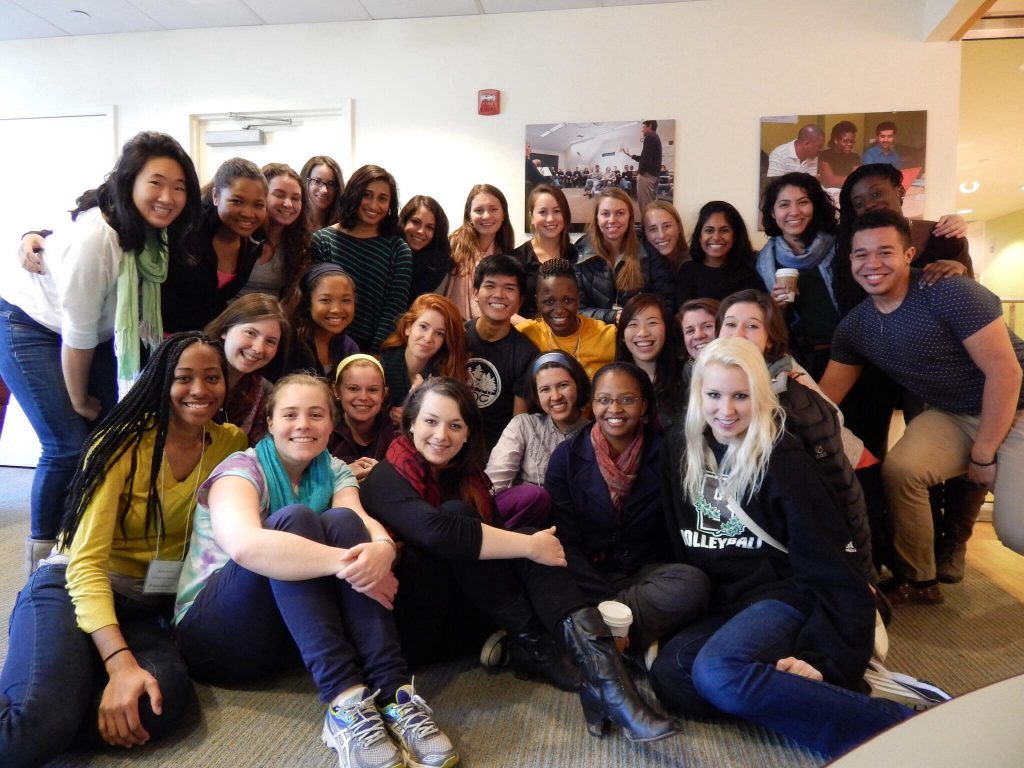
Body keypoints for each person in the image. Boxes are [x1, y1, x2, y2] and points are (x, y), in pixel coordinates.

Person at [360, 377, 679, 743]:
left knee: (529, 534)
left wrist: (528, 544)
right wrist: (525, 547)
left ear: (468, 434)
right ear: (411, 422)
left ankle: (605, 683)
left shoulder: (465, 476)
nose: (441, 435)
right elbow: (438, 531)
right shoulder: (386, 476)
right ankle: (540, 649)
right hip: (414, 631)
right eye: (430, 421)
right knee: (478, 524)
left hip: (465, 617)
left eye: (455, 425)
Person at [173, 373, 458, 768]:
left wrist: (382, 549)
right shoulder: (242, 469)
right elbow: (245, 544)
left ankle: (393, 693)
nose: (303, 424)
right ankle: (343, 701)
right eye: (290, 414)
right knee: (294, 519)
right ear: (270, 423)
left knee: (341, 520)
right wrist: (353, 566)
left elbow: (357, 519)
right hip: (214, 640)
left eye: (316, 414)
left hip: (284, 639)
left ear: (331, 422)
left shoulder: (334, 467)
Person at [651, 337, 913, 758]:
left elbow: (827, 559)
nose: (727, 409)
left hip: (785, 594)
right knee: (673, 677)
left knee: (717, 673)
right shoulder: (681, 450)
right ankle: (787, 685)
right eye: (714, 395)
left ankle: (892, 729)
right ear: (698, 395)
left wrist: (826, 658)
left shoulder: (782, 456)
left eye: (741, 395)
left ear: (759, 394)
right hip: (726, 603)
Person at [0, 333, 246, 767]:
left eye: (212, 377)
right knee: (34, 727)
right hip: (72, 587)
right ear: (159, 381)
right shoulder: (119, 441)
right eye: (183, 378)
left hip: (143, 606)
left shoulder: (231, 444)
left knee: (161, 701)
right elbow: (85, 563)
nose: (200, 390)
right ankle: (49, 711)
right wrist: (118, 663)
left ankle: (59, 704)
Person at [0, 131, 202, 575]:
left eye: (179, 187)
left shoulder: (154, 238)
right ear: (129, 181)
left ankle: (90, 539)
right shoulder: (99, 239)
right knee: (67, 444)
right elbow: (78, 332)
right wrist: (77, 399)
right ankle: (43, 559)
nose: (168, 197)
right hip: (29, 323)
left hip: (93, 333)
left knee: (111, 437)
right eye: (156, 183)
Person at [820, 210, 1024, 605]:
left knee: (1016, 530)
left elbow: (1006, 375)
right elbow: (824, 397)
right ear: (850, 261)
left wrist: (983, 455)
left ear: (909, 254)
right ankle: (919, 579)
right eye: (861, 254)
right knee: (902, 470)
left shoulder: (949, 291)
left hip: (1016, 407)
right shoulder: (856, 326)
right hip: (954, 413)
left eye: (885, 252)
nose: (872, 264)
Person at [545, 362, 709, 662]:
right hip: (589, 575)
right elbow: (566, 542)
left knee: (694, 585)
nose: (615, 409)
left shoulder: (667, 453)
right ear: (592, 404)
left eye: (627, 399)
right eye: (604, 400)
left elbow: (681, 526)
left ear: (644, 404)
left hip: (647, 575)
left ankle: (597, 637)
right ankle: (630, 637)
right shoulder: (566, 458)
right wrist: (608, 602)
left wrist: (613, 610)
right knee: (546, 580)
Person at [716, 289, 877, 582]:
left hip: (846, 478)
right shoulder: (713, 377)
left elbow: (836, 484)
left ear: (771, 339)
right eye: (730, 324)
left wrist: (859, 572)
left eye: (752, 325)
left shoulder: (791, 388)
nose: (738, 333)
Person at [310, 165, 412, 352]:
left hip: (374, 350)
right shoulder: (323, 241)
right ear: (353, 194)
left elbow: (393, 310)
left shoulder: (398, 250)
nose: (374, 205)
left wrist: (373, 355)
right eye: (367, 195)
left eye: (382, 198)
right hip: (323, 346)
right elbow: (315, 302)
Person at [755, 172, 840, 379]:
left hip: (848, 353)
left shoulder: (840, 246)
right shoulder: (765, 261)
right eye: (784, 205)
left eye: (803, 202)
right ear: (773, 213)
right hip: (800, 360)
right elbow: (769, 326)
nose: (794, 212)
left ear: (815, 206)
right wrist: (777, 307)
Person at [486, 352, 590, 497]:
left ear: (578, 385)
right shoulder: (523, 425)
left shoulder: (594, 434)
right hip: (524, 512)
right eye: (545, 389)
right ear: (536, 394)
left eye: (563, 385)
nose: (556, 396)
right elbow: (494, 484)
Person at [464, 254, 538, 450]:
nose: (499, 294)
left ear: (520, 300)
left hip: (494, 451)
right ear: (475, 293)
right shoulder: (456, 337)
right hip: (448, 442)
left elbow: (518, 424)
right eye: (490, 286)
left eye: (509, 288)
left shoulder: (526, 353)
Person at [574, 188, 675, 323]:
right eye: (605, 214)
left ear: (630, 217)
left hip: (639, 335)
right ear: (596, 218)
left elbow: (667, 304)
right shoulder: (580, 253)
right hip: (595, 337)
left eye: (620, 213)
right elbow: (575, 309)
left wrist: (637, 320)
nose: (612, 220)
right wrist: (612, 316)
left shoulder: (649, 252)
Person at [204, 293, 289, 445]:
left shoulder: (267, 392)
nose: (258, 348)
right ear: (225, 330)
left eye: (270, 341)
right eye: (250, 333)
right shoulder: (186, 367)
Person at [515, 259, 616, 379]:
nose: (559, 309)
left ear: (579, 299)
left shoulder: (607, 335)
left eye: (567, 300)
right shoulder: (526, 333)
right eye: (549, 301)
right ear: (537, 302)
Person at [379, 293, 468, 426]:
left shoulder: (446, 375)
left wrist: (417, 410)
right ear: (408, 327)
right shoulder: (383, 366)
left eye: (439, 333)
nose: (428, 338)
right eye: (423, 327)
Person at [198, 157, 269, 314]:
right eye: (237, 201)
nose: (248, 213)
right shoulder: (188, 235)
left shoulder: (253, 245)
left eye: (258, 205)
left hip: (208, 335)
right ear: (216, 196)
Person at [445, 184, 516, 321]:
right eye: (479, 210)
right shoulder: (451, 247)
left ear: (503, 214)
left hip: (491, 329)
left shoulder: (508, 253)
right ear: (469, 215)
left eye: (493, 209)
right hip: (451, 326)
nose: (486, 216)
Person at [240, 163, 310, 301]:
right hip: (230, 318)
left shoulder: (300, 245)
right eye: (279, 195)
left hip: (274, 319)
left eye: (295, 198)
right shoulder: (239, 235)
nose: (288, 204)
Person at [615, 294, 684, 428]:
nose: (643, 333)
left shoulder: (685, 377)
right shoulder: (612, 380)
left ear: (666, 329)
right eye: (633, 324)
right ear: (622, 335)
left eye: (652, 323)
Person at [512, 183, 579, 320]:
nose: (550, 218)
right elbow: (507, 309)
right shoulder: (516, 259)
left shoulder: (578, 255)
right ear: (532, 217)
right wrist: (536, 331)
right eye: (542, 212)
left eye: (557, 211)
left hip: (572, 334)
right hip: (528, 334)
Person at [676, 201, 763, 305]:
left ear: (735, 236)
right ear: (699, 236)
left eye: (724, 230)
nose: (716, 237)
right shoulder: (689, 272)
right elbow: (684, 316)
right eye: (709, 230)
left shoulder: (751, 269)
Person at [329, 354, 396, 482]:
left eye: (372, 390)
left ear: (383, 394)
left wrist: (382, 472)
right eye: (353, 389)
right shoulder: (324, 434)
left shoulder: (397, 438)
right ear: (336, 390)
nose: (363, 397)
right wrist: (342, 474)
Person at [285, 263, 359, 378]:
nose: (336, 309)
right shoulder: (289, 341)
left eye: (346, 300)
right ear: (308, 302)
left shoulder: (350, 349)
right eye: (326, 300)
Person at [400, 195, 453, 300]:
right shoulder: (387, 247)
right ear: (405, 221)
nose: (421, 231)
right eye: (415, 222)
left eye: (430, 227)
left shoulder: (439, 263)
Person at [620, 120, 662, 212]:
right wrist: (630, 155)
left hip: (646, 176)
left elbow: (645, 160)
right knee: (651, 205)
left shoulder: (649, 137)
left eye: (643, 127)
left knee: (645, 207)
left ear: (650, 126)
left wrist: (640, 173)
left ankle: (647, 226)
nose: (642, 130)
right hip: (653, 175)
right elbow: (644, 158)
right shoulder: (656, 137)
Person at [641, 201, 690, 278]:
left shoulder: (696, 261)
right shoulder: (639, 266)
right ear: (645, 234)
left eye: (667, 226)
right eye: (653, 229)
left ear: (678, 227)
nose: (661, 235)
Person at [300, 155, 344, 231]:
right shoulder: (292, 221)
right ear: (305, 181)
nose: (324, 190)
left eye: (331, 184)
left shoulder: (342, 226)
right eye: (317, 181)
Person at [817, 121, 861, 189]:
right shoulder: (824, 155)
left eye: (852, 141)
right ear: (836, 140)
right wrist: (852, 179)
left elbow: (858, 180)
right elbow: (830, 182)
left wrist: (838, 179)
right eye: (845, 141)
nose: (849, 144)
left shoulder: (855, 157)